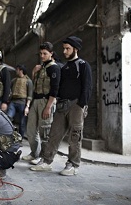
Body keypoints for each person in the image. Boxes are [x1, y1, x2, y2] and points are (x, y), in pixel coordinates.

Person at [30, 36, 92, 176]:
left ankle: (73, 164)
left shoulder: (82, 65)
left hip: (76, 105)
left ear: (75, 49)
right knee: (54, 134)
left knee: (75, 136)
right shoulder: (64, 67)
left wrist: (81, 104)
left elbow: (87, 87)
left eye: (67, 48)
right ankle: (46, 161)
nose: (64, 51)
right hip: (62, 105)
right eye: (63, 48)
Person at [21, 42, 61, 163]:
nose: (42, 56)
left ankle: (43, 158)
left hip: (46, 101)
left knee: (45, 131)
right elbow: (35, 85)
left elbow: (55, 89)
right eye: (41, 53)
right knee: (31, 130)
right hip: (36, 100)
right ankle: (35, 153)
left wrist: (48, 107)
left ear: (51, 54)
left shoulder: (54, 68)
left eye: (45, 53)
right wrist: (34, 72)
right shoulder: (40, 68)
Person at [6, 64, 33, 138]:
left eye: (17, 69)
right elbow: (9, 89)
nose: (16, 71)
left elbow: (30, 95)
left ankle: (20, 137)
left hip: (23, 103)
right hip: (13, 101)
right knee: (8, 118)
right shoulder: (14, 80)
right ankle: (8, 134)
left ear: (21, 70)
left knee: (22, 122)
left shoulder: (28, 81)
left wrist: (27, 106)